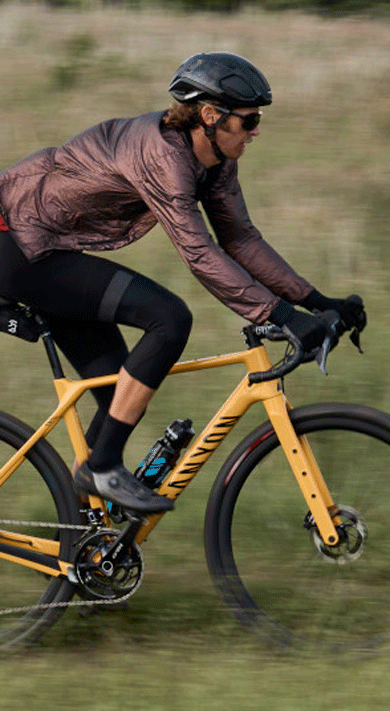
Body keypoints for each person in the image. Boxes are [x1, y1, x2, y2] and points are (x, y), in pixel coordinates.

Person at [0, 52, 365, 515]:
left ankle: (83, 545)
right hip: (19, 244)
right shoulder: (162, 155)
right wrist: (278, 314)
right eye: (249, 120)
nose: (257, 131)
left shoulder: (215, 160)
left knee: (119, 399)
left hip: (46, 245)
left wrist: (315, 301)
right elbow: (198, 252)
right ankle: (103, 468)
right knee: (168, 317)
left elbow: (240, 239)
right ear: (210, 116)